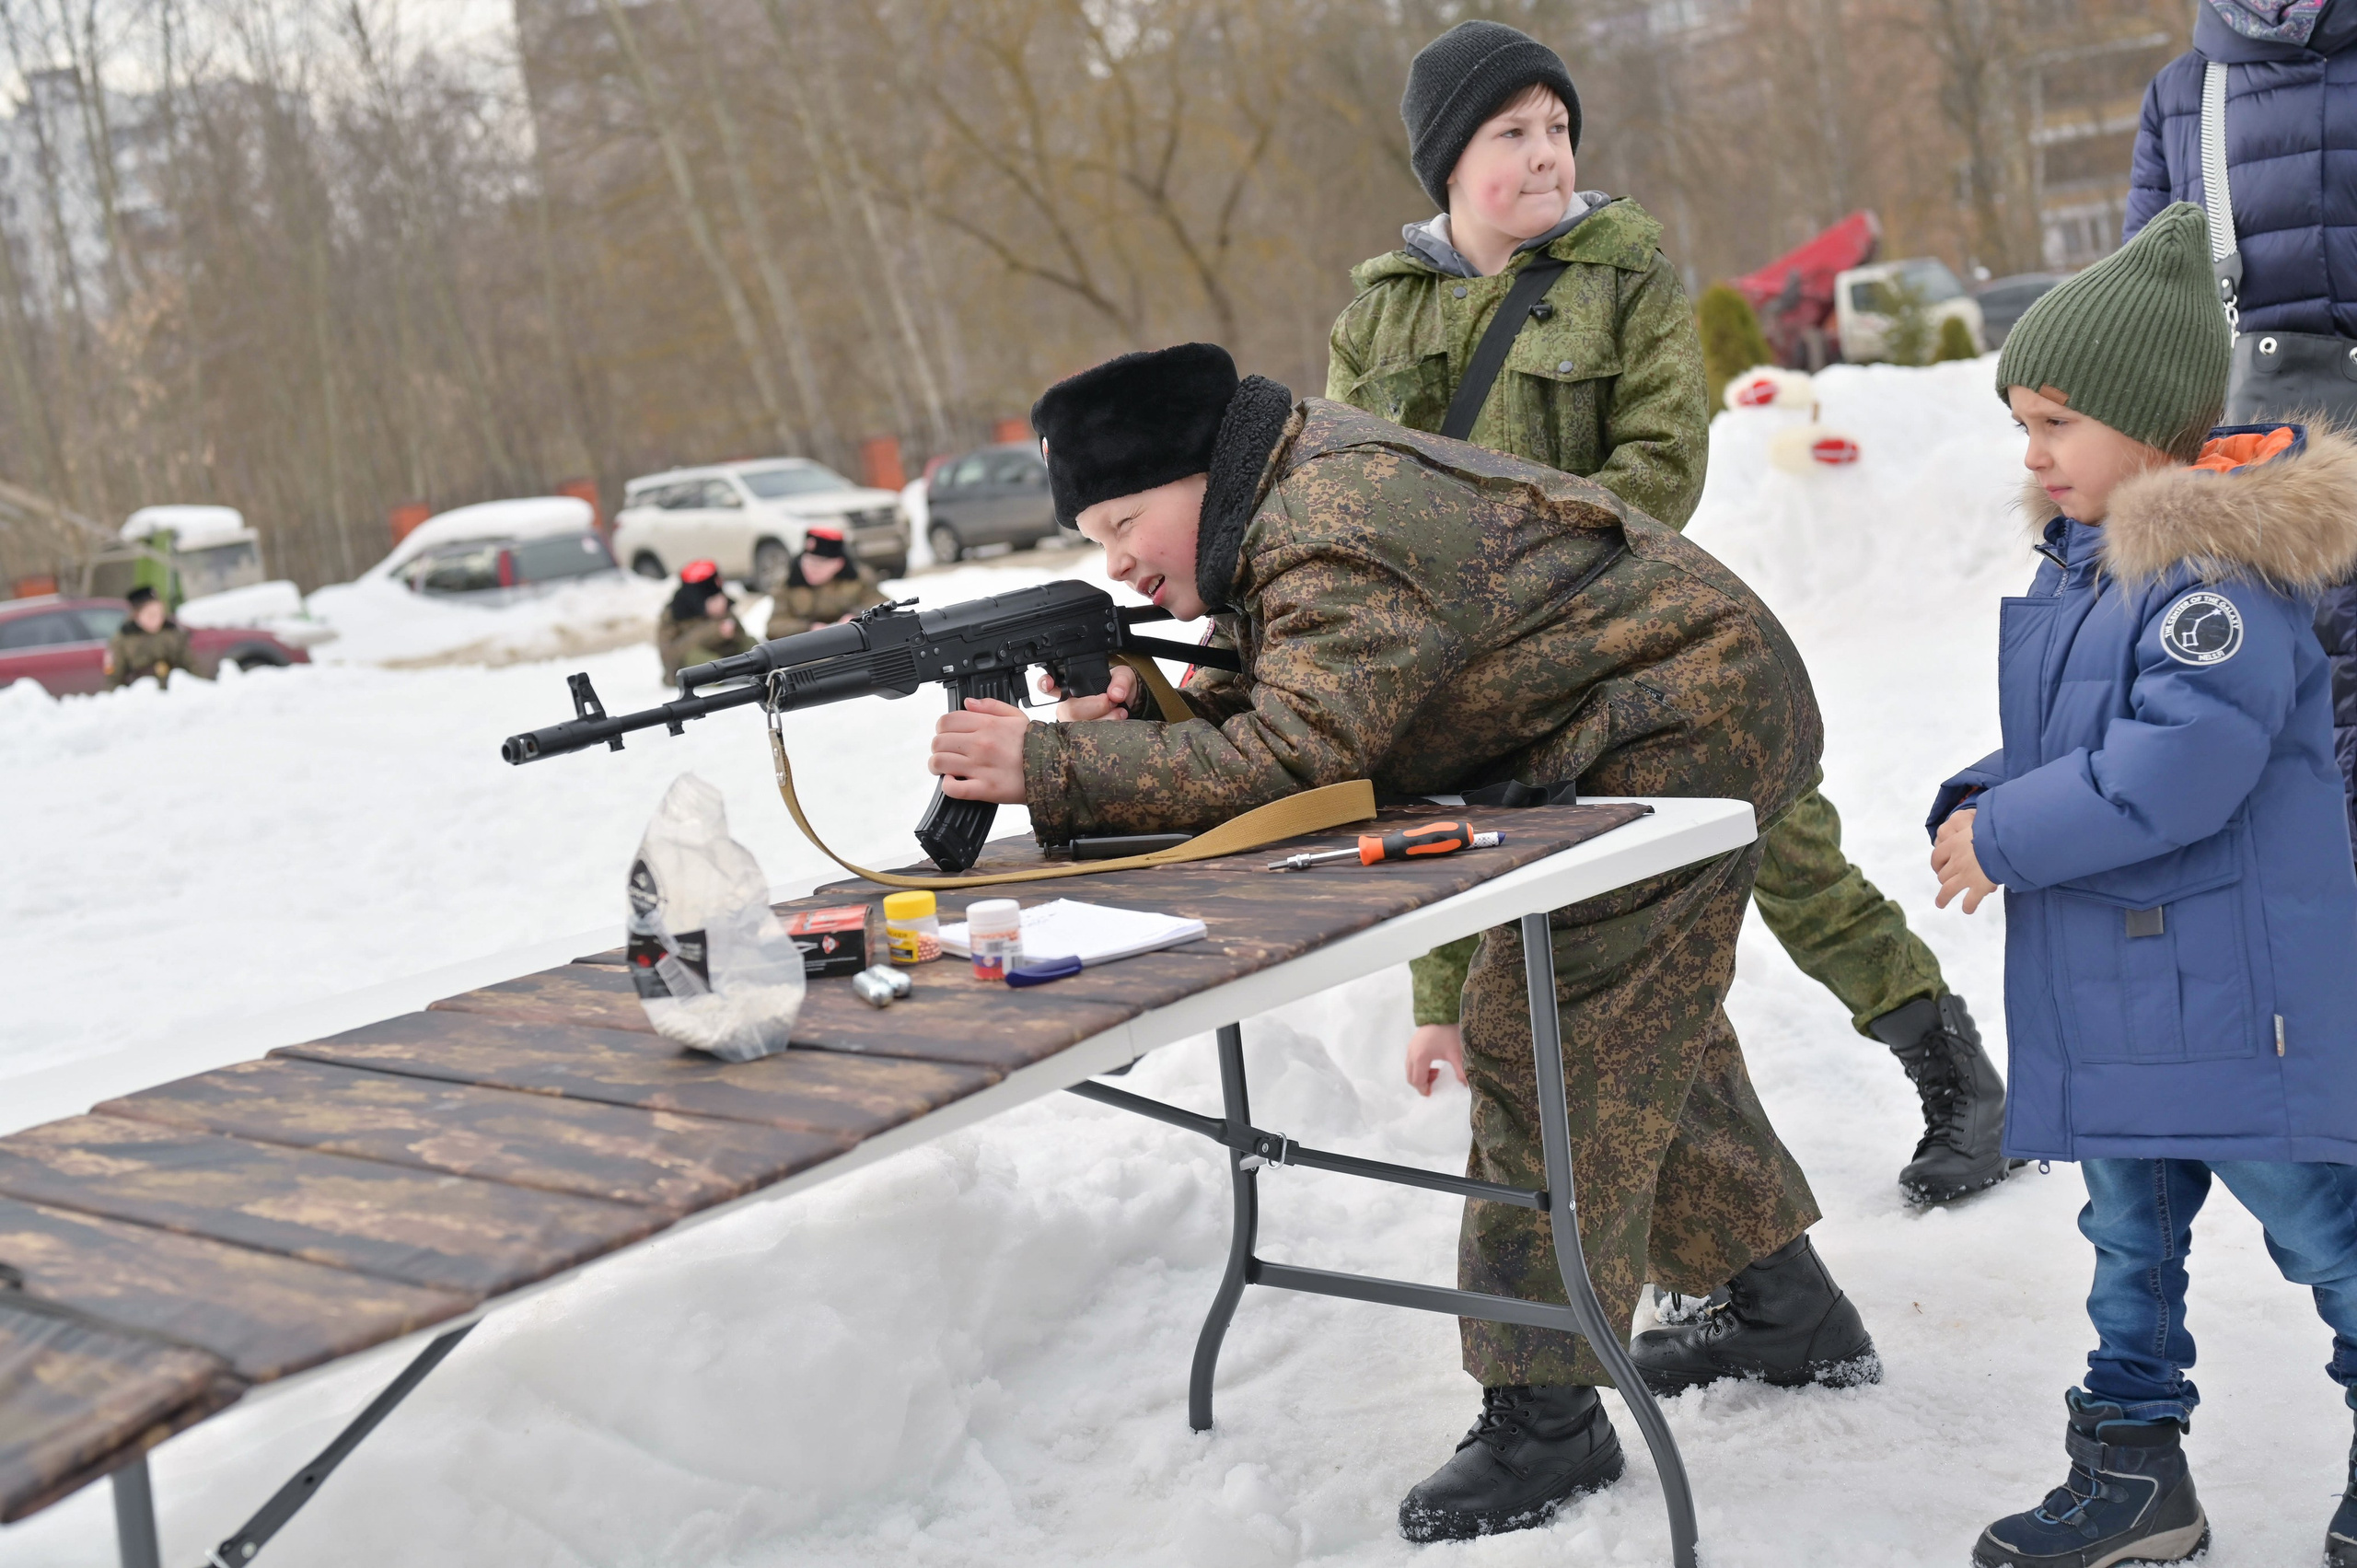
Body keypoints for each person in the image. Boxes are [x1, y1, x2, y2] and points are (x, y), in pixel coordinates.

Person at [934, 343, 1876, 1542]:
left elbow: (1298, 758)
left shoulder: (1332, 517)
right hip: (1646, 707)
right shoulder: (1288, 494)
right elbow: (1316, 691)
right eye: (1093, 534)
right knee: (1627, 1011)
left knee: (1541, 1029)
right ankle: (1785, 1306)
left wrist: (1051, 765)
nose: (1114, 560)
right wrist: (1165, 711)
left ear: (1196, 478)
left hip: (1681, 720)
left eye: (1125, 520)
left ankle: (1546, 1413)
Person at [1325, 17, 2003, 1210]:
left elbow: (1663, 460)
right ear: (1444, 159)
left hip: (1647, 641)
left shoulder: (1623, 268)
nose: (1546, 154)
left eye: (1560, 129)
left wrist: (1521, 577)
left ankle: (1955, 1074)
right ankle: (1716, 1223)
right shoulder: (1377, 319)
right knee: (1513, 881)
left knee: (1786, 853)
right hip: (1491, 681)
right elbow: (1357, 508)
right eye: (1513, 132)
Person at [1926, 204, 2357, 1568]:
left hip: (2234, 999)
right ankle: (2133, 1468)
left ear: (2155, 423)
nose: (2035, 452)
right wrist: (1986, 789)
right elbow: (2082, 749)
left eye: (2057, 421)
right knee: (2126, 1240)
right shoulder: (2093, 566)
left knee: (2318, 1225)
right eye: (2022, 427)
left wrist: (2009, 834)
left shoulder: (2208, 575)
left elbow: (2175, 768)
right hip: (2130, 994)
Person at [2126, 0, 2357, 881]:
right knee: (2294, 725)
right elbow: (2146, 322)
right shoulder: (2184, 96)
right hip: (2266, 494)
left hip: (2268, 485)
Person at [762, 526, 886, 640]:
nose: (810, 570)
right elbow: (774, 627)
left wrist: (856, 617)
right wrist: (808, 628)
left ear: (838, 564)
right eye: (807, 562)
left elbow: (882, 605)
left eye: (818, 566)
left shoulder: (857, 578)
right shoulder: (789, 583)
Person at [654, 559, 754, 685]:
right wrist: (714, 630)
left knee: (753, 644)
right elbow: (670, 657)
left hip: (725, 656)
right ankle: (726, 677)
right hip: (689, 668)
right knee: (700, 659)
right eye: (712, 599)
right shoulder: (674, 615)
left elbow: (741, 638)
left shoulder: (723, 608)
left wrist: (726, 621)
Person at [103, 587, 194, 691]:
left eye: (160, 614)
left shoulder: (173, 633)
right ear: (137, 616)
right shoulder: (122, 640)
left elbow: (191, 665)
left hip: (173, 693)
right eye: (151, 615)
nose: (158, 619)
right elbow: (114, 679)